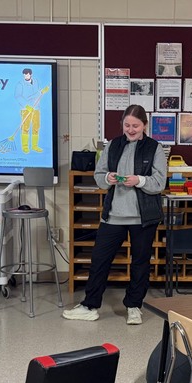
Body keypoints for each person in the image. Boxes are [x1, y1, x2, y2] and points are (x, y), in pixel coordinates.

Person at [63, 105, 167, 325]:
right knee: (99, 260)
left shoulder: (154, 148)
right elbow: (99, 176)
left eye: (135, 125)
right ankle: (90, 306)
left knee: (140, 263)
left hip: (143, 218)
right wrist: (107, 178)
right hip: (113, 216)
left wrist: (139, 180)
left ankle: (134, 307)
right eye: (127, 125)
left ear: (144, 125)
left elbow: (159, 183)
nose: (131, 129)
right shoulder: (112, 145)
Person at [14, 68, 49, 153]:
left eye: (27, 74)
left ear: (31, 74)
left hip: (36, 108)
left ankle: (34, 146)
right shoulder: (20, 84)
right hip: (26, 109)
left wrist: (42, 91)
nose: (26, 76)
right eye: (24, 75)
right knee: (25, 128)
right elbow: (18, 96)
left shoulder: (36, 81)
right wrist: (26, 106)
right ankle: (25, 147)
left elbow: (38, 93)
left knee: (36, 127)